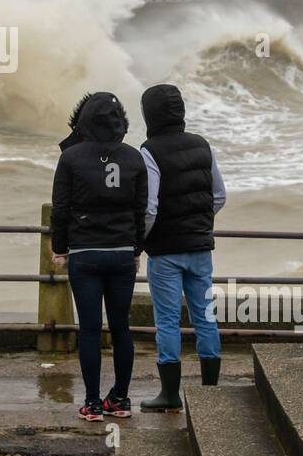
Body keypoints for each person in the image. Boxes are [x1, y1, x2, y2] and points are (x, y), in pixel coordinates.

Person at [51, 92, 148, 422]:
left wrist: (60, 248)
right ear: (121, 121)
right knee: (122, 327)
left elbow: (61, 209)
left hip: (85, 253)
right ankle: (120, 400)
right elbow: (141, 210)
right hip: (122, 253)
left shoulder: (71, 158)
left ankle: (92, 403)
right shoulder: (134, 158)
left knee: (90, 329)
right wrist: (136, 249)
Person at [138, 84, 226, 412]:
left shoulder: (150, 150)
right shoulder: (202, 145)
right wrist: (198, 224)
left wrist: (142, 241)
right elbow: (219, 196)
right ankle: (210, 389)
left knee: (168, 319)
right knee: (204, 314)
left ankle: (170, 394)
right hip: (201, 247)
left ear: (150, 114)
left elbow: (149, 208)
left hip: (165, 252)